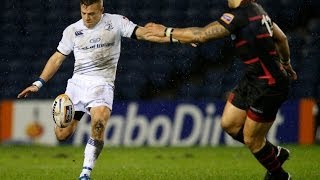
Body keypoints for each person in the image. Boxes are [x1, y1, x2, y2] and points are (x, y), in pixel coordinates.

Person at [145, 0, 297, 179]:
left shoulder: (240, 15)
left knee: (252, 139)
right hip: (253, 78)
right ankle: (274, 153)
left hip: (269, 84)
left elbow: (201, 35)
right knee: (229, 124)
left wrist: (166, 31)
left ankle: (280, 175)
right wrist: (286, 63)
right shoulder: (258, 11)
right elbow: (281, 38)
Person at [17, 0, 167, 179]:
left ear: (101, 10)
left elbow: (145, 34)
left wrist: (177, 37)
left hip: (102, 84)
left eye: (92, 14)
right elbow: (57, 58)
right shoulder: (72, 30)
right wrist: (38, 83)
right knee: (62, 135)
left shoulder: (116, 22)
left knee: (98, 124)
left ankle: (85, 172)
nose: (87, 18)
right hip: (77, 86)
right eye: (84, 13)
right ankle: (73, 115)